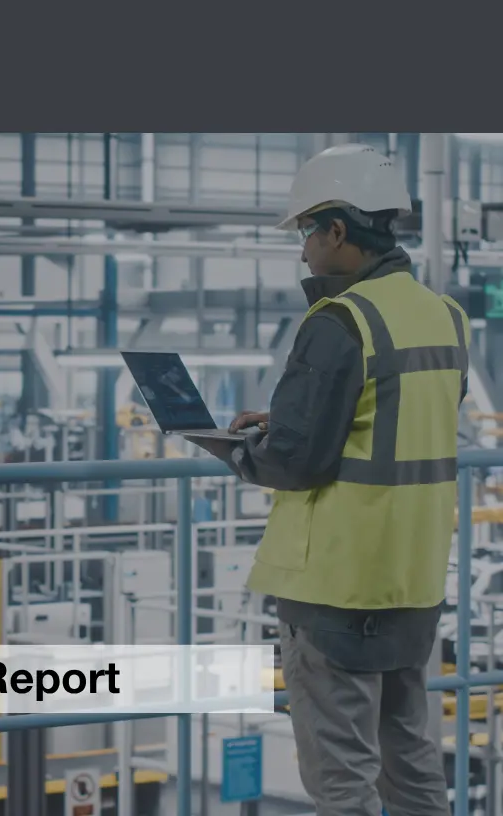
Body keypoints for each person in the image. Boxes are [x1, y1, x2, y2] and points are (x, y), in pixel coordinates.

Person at [194, 144, 470, 816]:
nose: (304, 251)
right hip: (413, 577)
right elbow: (397, 416)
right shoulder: (446, 316)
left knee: (342, 780)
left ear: (339, 230)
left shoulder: (340, 321)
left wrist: (236, 450)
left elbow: (296, 463)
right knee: (412, 767)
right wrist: (294, 417)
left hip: (336, 587)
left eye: (308, 233)